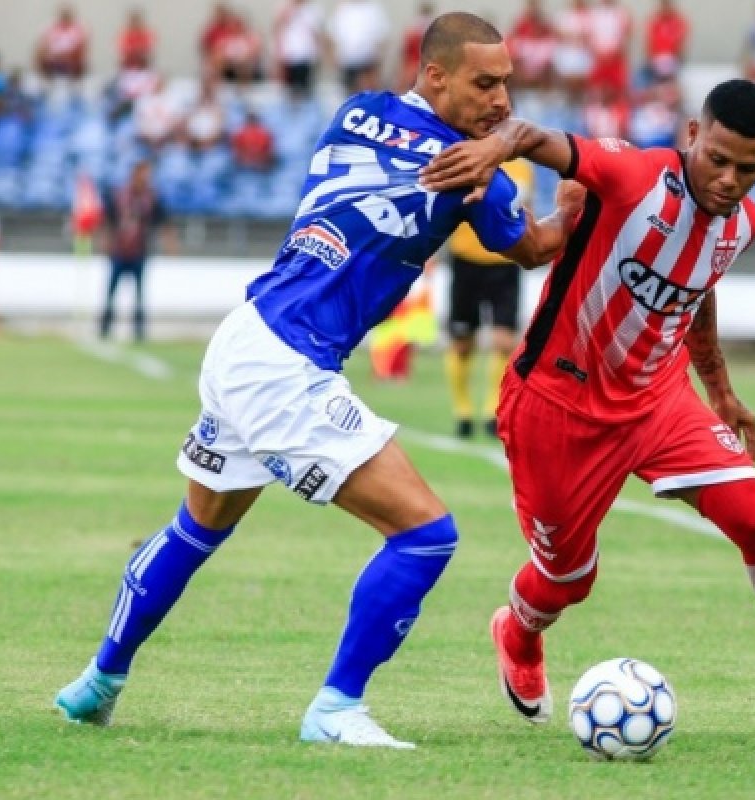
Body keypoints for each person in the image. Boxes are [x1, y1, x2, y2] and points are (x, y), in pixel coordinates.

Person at [54, 12, 584, 749]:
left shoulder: (358, 109)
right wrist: (570, 211)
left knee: (197, 528)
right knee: (427, 535)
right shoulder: (479, 180)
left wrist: (485, 155)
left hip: (246, 333)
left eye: (507, 84)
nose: (501, 101)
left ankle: (98, 683)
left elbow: (413, 163)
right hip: (286, 361)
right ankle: (336, 709)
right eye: (485, 83)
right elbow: (531, 249)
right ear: (435, 75)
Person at [420, 79, 755, 734]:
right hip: (558, 405)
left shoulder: (743, 223)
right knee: (565, 582)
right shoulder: (635, 176)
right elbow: (538, 138)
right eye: (720, 160)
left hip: (659, 399)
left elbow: (697, 287)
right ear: (693, 136)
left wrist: (721, 391)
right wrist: (495, 147)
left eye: (750, 169)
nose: (731, 180)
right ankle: (519, 633)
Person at [444, 157, 535, 438]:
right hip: (466, 261)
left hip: (506, 263)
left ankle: (491, 411)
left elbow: (527, 210)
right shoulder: (467, 158)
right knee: (462, 343)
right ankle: (462, 410)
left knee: (504, 340)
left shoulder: (523, 168)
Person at [97, 161, 173, 342]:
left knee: (139, 294)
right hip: (119, 251)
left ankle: (138, 330)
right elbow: (108, 220)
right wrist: (105, 241)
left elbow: (163, 221)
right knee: (111, 291)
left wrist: (169, 243)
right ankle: (105, 327)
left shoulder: (151, 198)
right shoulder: (119, 195)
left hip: (140, 252)